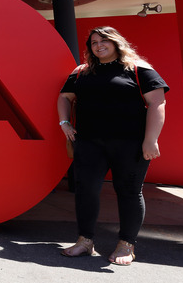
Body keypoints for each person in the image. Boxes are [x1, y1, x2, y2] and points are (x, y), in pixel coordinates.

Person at [56, 26, 167, 266]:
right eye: (93, 43)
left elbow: (157, 102)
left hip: (130, 145)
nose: (98, 46)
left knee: (128, 192)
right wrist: (64, 122)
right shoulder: (82, 71)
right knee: (86, 191)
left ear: (117, 43)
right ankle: (84, 242)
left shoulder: (139, 69)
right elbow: (65, 97)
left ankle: (126, 244)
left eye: (104, 41)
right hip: (88, 143)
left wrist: (151, 139)